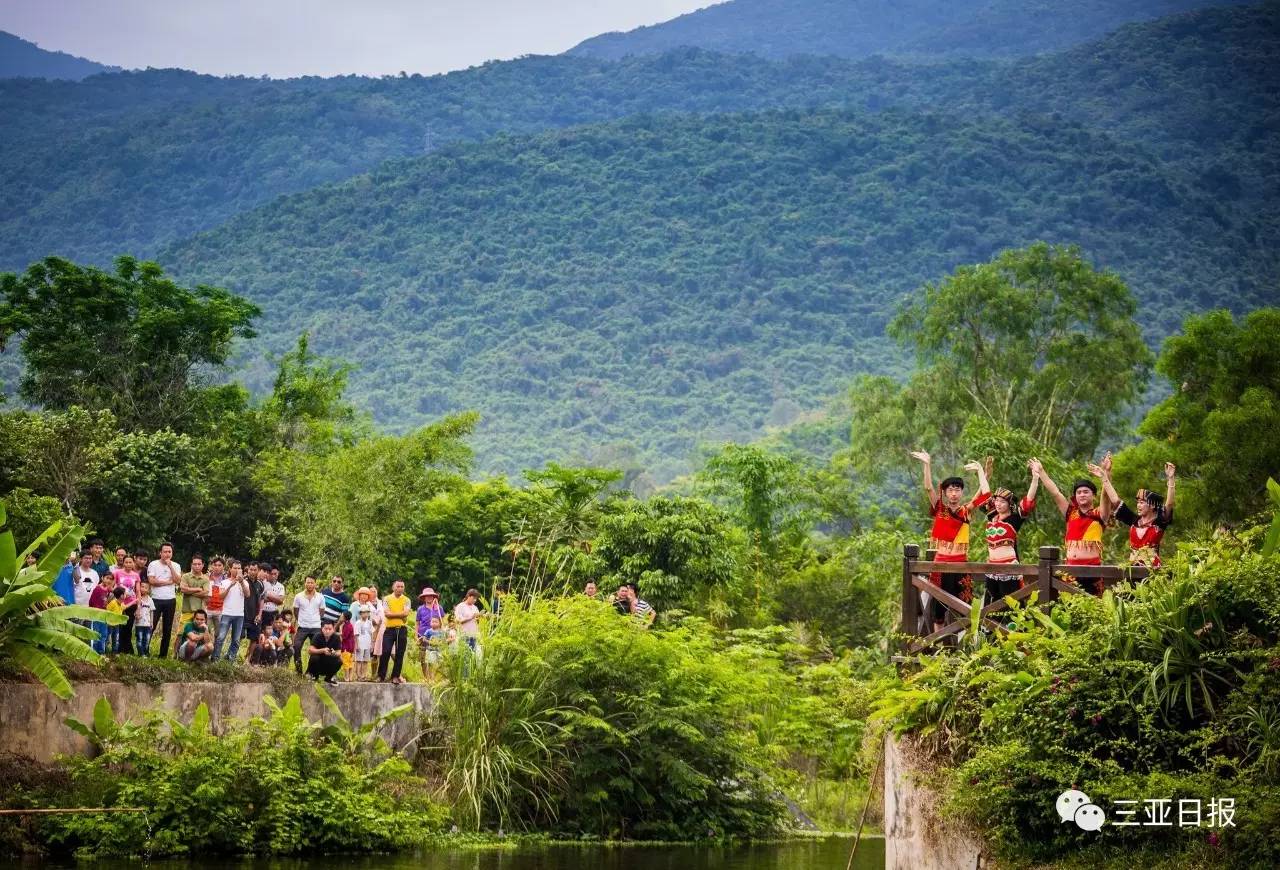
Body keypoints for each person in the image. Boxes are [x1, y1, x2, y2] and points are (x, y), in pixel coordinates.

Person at [910, 451, 991, 629]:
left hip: (961, 564)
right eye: (950, 490)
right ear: (945, 493)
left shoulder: (966, 511)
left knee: (965, 608)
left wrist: (980, 474)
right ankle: (939, 648)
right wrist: (927, 465)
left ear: (962, 492)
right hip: (941, 564)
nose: (954, 493)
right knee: (939, 609)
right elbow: (929, 488)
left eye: (957, 490)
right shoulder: (941, 510)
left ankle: (964, 650)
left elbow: (985, 495)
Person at [1031, 458, 1112, 595]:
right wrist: (1041, 471)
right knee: (1069, 608)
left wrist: (1106, 474)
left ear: (1093, 495)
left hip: (1092, 571)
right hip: (1070, 570)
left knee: (1094, 608)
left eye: (1086, 492)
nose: (1082, 495)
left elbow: (1106, 496)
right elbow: (1055, 493)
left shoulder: (1100, 514)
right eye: (1079, 492)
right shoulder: (1070, 512)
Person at [1097, 457, 1176, 567]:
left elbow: (1169, 504)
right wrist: (1104, 477)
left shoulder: (1159, 522)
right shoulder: (1134, 520)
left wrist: (1171, 478)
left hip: (1153, 572)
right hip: (1132, 570)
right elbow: (1115, 500)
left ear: (1152, 505)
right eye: (1138, 502)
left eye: (1142, 502)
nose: (1138, 505)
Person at [980, 465, 1040, 607]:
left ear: (1009, 504)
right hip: (992, 567)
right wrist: (980, 472)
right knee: (990, 605)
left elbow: (1028, 501)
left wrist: (1035, 478)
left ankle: (1014, 629)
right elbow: (985, 493)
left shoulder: (1014, 519)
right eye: (997, 501)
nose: (998, 504)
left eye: (1002, 501)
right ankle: (990, 629)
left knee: (1011, 605)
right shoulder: (992, 516)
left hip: (1009, 568)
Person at [146, 543, 181, 657]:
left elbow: (177, 580)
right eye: (165, 551)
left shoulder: (176, 565)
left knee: (167, 628)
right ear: (160, 552)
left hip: (170, 600)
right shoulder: (153, 564)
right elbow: (151, 581)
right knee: (151, 626)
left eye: (169, 552)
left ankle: (163, 655)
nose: (167, 554)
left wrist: (170, 566)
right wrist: (167, 582)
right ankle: (145, 651)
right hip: (156, 599)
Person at [213, 560, 250, 662]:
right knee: (221, 638)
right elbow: (221, 596)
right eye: (235, 568)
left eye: (239, 568)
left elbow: (247, 595)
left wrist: (241, 581)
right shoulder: (224, 582)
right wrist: (230, 585)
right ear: (230, 569)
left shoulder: (245, 582)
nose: (237, 570)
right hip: (226, 614)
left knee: (236, 640)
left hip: (239, 615)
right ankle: (215, 658)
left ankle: (230, 659)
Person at [379, 580, 413, 683]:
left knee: (399, 653)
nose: (400, 588)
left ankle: (395, 676)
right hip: (389, 629)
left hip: (401, 629)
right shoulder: (387, 599)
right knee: (385, 651)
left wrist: (394, 614)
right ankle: (381, 676)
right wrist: (400, 614)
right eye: (398, 586)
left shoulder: (407, 600)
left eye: (402, 587)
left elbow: (406, 614)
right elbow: (387, 614)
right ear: (393, 587)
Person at [292, 575, 326, 675]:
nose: (310, 584)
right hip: (302, 627)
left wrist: (315, 620)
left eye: (312, 582)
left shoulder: (320, 597)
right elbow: (296, 611)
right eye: (308, 582)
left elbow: (322, 612)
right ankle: (298, 671)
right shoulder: (298, 596)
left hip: (316, 627)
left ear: (315, 584)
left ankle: (309, 672)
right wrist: (302, 620)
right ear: (305, 583)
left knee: (316, 650)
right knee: (297, 647)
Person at [178, 555, 211, 653]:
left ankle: (196, 656)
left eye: (199, 564)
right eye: (194, 564)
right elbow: (182, 589)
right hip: (187, 610)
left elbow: (205, 592)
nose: (197, 566)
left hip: (200, 613)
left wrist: (189, 590)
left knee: (201, 635)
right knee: (180, 634)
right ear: (191, 565)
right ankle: (175, 655)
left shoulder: (205, 579)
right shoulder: (186, 576)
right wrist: (197, 589)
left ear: (203, 565)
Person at [111, 553, 142, 654]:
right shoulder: (117, 573)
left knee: (129, 627)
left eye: (130, 562)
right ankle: (119, 649)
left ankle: (128, 650)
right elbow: (112, 587)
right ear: (123, 563)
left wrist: (138, 606)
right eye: (126, 562)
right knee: (120, 627)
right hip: (119, 604)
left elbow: (138, 591)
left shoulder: (136, 575)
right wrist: (118, 593)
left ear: (133, 563)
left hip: (132, 603)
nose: (128, 564)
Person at [241, 561, 265, 658]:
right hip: (242, 615)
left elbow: (262, 600)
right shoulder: (243, 581)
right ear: (248, 569)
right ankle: (233, 658)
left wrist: (259, 614)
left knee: (254, 639)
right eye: (251, 569)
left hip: (255, 616)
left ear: (258, 571)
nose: (253, 572)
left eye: (255, 570)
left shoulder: (260, 584)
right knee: (239, 637)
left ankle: (247, 659)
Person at [88, 572, 114, 653]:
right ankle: (93, 652)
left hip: (104, 615)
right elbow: (91, 602)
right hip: (96, 615)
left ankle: (101, 652)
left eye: (111, 579)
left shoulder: (109, 591)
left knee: (103, 634)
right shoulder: (97, 589)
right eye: (107, 578)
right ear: (102, 578)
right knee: (95, 634)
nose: (109, 580)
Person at [454, 587, 482, 652]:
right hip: (464, 635)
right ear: (468, 596)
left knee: (473, 656)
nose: (475, 600)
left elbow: (477, 620)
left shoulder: (475, 607)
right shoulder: (460, 606)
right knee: (465, 655)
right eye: (473, 598)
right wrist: (471, 617)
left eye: (476, 599)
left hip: (474, 635)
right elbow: (458, 620)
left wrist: (481, 616)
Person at [259, 563, 285, 632]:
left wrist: (268, 595)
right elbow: (260, 599)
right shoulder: (262, 583)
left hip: (274, 612)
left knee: (274, 632)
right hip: (263, 612)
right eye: (271, 574)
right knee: (262, 632)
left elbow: (280, 601)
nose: (273, 576)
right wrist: (275, 598)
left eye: (275, 574)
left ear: (278, 573)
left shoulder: (281, 586)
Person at [354, 605, 375, 681]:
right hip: (360, 643)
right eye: (363, 613)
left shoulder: (369, 623)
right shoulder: (358, 623)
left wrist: (372, 645)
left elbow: (372, 633)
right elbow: (356, 635)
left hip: (367, 644)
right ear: (360, 613)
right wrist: (356, 645)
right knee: (359, 660)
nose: (365, 614)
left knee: (366, 660)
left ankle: (364, 675)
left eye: (366, 612)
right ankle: (358, 675)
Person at [134, 580, 155, 657]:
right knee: (139, 638)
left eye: (146, 587)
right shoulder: (137, 599)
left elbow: (151, 611)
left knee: (147, 639)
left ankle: (145, 652)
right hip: (139, 623)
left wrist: (152, 622)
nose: (143, 589)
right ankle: (141, 653)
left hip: (147, 624)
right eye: (142, 586)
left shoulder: (150, 600)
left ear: (149, 590)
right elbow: (135, 610)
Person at [421, 615, 445, 679]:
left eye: (436, 622)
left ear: (440, 623)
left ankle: (437, 677)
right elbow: (424, 639)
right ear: (430, 623)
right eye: (432, 622)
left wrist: (439, 643)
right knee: (430, 664)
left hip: (439, 650)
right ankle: (430, 677)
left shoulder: (441, 632)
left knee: (440, 664)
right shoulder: (428, 631)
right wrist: (430, 642)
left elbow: (443, 640)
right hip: (430, 650)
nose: (434, 623)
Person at [105, 586, 126, 653]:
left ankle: (114, 652)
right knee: (108, 638)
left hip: (116, 624)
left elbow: (124, 607)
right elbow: (107, 610)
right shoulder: (113, 603)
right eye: (125, 593)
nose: (126, 595)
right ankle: (105, 650)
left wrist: (134, 601)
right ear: (122, 595)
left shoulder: (121, 603)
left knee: (116, 638)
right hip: (109, 624)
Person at [340, 614, 356, 681]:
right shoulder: (350, 625)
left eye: (342, 616)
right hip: (351, 647)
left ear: (345, 618)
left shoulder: (347, 626)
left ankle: (347, 677)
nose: (340, 617)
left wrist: (340, 628)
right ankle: (350, 677)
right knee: (350, 662)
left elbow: (344, 637)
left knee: (346, 662)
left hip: (346, 647)